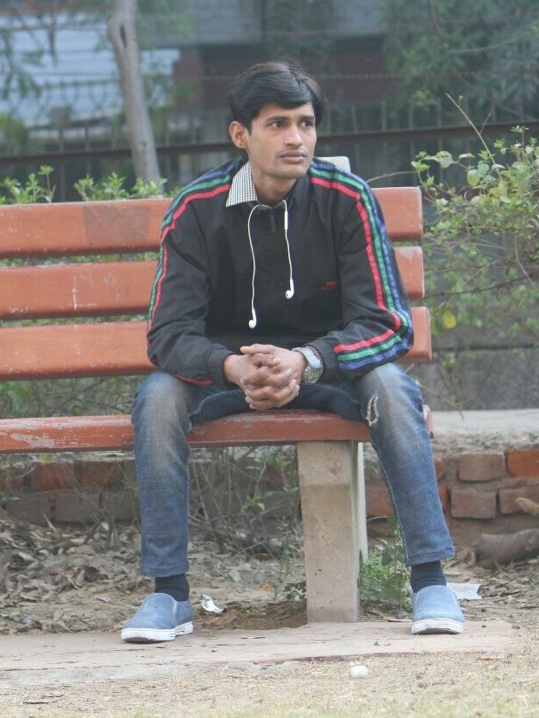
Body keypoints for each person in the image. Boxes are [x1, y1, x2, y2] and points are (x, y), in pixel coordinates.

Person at [121, 60, 464, 643]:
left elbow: (387, 323)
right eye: (277, 124)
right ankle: (169, 594)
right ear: (240, 134)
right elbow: (168, 334)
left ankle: (430, 581)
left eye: (305, 123)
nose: (296, 139)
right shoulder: (196, 207)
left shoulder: (347, 198)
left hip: (331, 369)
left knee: (391, 387)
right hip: (231, 375)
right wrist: (232, 366)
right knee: (156, 400)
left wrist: (307, 360)